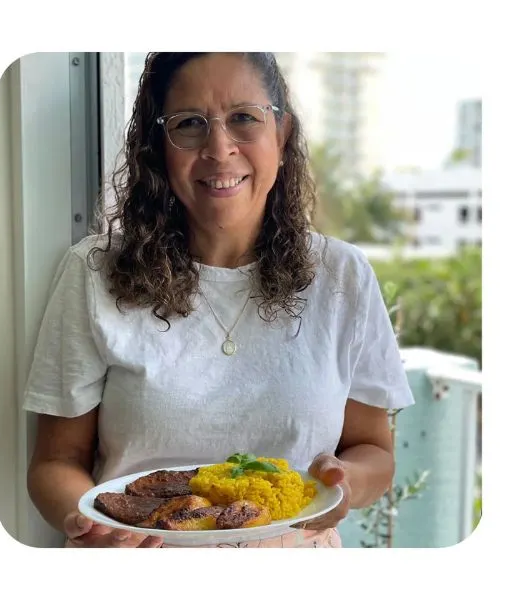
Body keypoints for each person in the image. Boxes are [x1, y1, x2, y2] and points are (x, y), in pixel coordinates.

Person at [21, 52, 414, 548]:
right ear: (157, 146)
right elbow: (56, 463)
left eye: (244, 118)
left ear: (282, 133)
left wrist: (345, 481)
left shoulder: (343, 275)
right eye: (189, 124)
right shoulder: (94, 271)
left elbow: (373, 450)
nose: (219, 148)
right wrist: (95, 528)